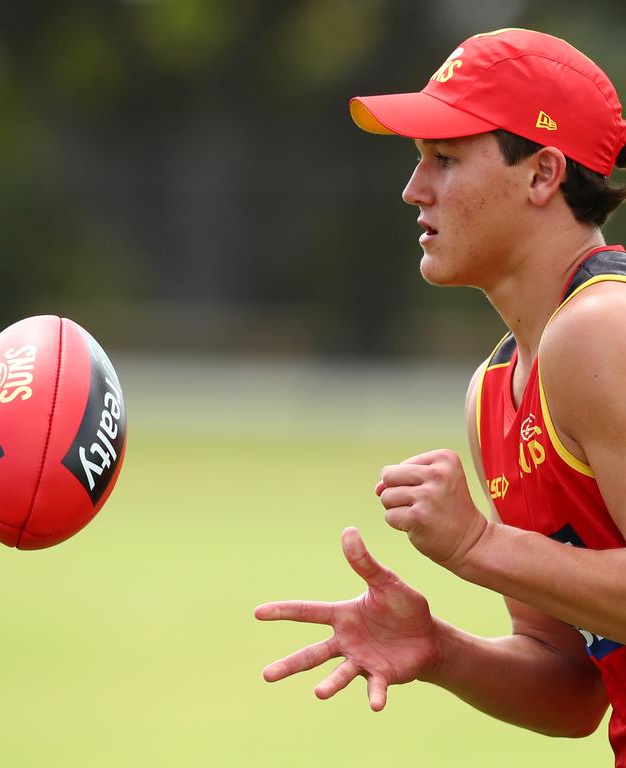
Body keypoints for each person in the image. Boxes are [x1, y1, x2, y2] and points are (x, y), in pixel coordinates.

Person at [255, 28, 626, 766]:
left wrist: (479, 545)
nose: (413, 189)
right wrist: (441, 651)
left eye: (445, 160)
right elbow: (574, 688)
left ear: (543, 173)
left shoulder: (601, 329)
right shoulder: (495, 390)